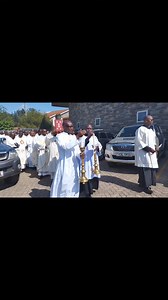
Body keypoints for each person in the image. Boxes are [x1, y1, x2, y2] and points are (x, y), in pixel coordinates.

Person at [50, 120, 85, 198]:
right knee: (64, 183)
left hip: (74, 164)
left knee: (73, 182)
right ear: (64, 127)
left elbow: (76, 151)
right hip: (64, 164)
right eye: (69, 126)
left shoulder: (73, 137)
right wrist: (77, 136)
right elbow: (66, 147)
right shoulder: (59, 136)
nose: (71, 128)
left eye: (72, 126)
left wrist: (80, 155)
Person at [134, 115, 160, 194]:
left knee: (150, 170)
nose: (152, 121)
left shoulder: (152, 130)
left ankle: (142, 183)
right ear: (145, 120)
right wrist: (148, 149)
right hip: (144, 154)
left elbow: (155, 140)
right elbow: (139, 141)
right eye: (150, 120)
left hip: (151, 154)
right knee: (145, 171)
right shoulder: (140, 130)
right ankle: (146, 187)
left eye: (152, 120)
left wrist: (156, 147)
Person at [78, 124, 102, 197]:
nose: (89, 129)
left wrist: (98, 148)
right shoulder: (83, 137)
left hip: (93, 158)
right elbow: (82, 145)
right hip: (86, 159)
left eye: (90, 128)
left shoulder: (95, 137)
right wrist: (88, 137)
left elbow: (99, 145)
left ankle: (92, 188)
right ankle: (86, 191)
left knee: (93, 174)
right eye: (88, 128)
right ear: (86, 129)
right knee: (87, 174)